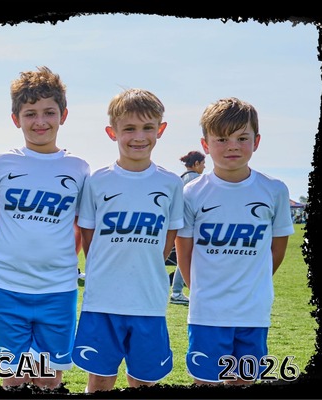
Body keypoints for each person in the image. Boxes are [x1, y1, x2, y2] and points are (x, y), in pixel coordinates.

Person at [0, 66, 89, 389]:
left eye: (49, 112)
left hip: (57, 289)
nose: (40, 121)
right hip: (5, 286)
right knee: (13, 376)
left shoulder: (78, 169)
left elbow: (78, 228)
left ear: (63, 115)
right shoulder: (3, 164)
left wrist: (56, 261)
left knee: (48, 377)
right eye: (30, 114)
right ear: (16, 118)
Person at [176, 97, 293, 386]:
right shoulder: (192, 193)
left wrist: (254, 283)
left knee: (243, 381)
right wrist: (201, 292)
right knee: (206, 382)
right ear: (205, 145)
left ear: (256, 141)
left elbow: (277, 250)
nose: (233, 146)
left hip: (253, 311)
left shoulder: (274, 190)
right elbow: (184, 252)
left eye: (242, 138)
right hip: (207, 313)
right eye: (222, 139)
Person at [73, 89, 184, 391]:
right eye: (129, 128)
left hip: (148, 301)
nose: (139, 137)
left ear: (160, 129)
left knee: (144, 381)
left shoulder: (170, 183)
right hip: (103, 300)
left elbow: (167, 240)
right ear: (112, 132)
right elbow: (89, 239)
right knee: (100, 379)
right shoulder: (97, 181)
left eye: (148, 127)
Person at [167, 150, 206, 304]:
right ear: (196, 164)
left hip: (178, 223)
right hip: (191, 225)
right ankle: (177, 292)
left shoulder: (181, 178)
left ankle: (177, 291)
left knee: (184, 257)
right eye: (203, 163)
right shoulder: (197, 180)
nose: (204, 167)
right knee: (188, 257)